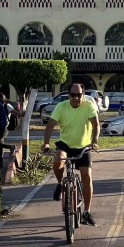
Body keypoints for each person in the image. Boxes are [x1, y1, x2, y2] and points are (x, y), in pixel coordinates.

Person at [42, 82, 100, 226]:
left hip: (83, 146)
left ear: (83, 95)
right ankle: (60, 184)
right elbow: (50, 125)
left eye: (79, 95)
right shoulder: (61, 107)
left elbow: (96, 125)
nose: (76, 98)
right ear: (68, 95)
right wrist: (46, 143)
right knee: (57, 161)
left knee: (86, 175)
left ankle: (86, 212)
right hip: (65, 144)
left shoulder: (88, 106)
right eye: (73, 95)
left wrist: (94, 141)